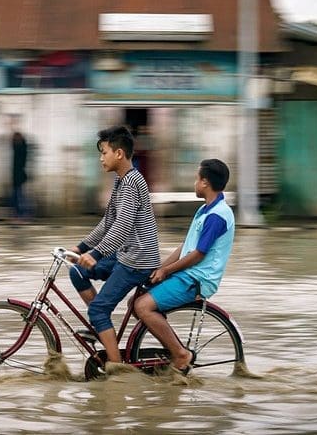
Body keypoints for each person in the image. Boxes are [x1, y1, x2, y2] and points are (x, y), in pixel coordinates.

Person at [67, 125, 161, 370]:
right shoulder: (122, 181)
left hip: (138, 261)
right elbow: (108, 223)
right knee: (77, 271)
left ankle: (117, 369)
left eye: (104, 152)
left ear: (119, 153)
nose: (101, 158)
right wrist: (81, 248)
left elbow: (122, 227)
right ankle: (103, 330)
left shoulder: (131, 183)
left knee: (98, 310)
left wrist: (96, 253)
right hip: (125, 255)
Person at [133, 159, 235, 376]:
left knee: (142, 307)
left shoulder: (216, 216)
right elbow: (186, 246)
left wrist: (166, 271)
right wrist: (159, 268)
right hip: (186, 274)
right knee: (136, 299)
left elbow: (198, 254)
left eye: (197, 179)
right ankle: (169, 347)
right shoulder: (204, 210)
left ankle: (180, 354)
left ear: (205, 182)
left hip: (196, 279)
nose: (194, 183)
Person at [9, 114, 31, 222]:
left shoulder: (21, 150)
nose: (13, 140)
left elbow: (19, 145)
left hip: (19, 177)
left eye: (15, 139)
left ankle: (23, 215)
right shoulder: (18, 149)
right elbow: (13, 144)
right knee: (16, 197)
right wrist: (13, 126)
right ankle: (19, 215)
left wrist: (13, 125)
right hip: (16, 177)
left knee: (19, 197)